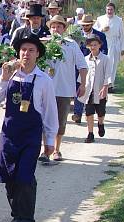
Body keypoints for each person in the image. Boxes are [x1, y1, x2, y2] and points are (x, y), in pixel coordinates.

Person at [0, 36, 58, 222]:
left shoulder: (44, 80)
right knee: (9, 175)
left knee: (25, 176)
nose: (26, 54)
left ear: (37, 54)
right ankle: (17, 214)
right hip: (9, 134)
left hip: (30, 136)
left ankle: (27, 220)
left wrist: (50, 140)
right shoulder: (10, 76)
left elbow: (49, 112)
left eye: (30, 50)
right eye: (23, 50)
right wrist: (3, 78)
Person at [39, 15, 87, 164]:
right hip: (46, 89)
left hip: (64, 89)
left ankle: (56, 149)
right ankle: (45, 150)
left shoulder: (71, 44)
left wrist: (83, 84)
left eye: (59, 26)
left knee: (60, 121)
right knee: (45, 120)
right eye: (53, 26)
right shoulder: (44, 44)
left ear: (64, 29)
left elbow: (83, 66)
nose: (56, 29)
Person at [71, 13, 108, 124]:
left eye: (87, 25)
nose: (85, 27)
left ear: (91, 24)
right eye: (83, 25)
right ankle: (77, 113)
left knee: (90, 89)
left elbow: (105, 50)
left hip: (94, 65)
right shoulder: (76, 35)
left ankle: (95, 113)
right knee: (79, 87)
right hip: (79, 66)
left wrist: (99, 61)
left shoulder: (100, 35)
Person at [77, 34, 112, 143]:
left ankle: (100, 124)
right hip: (89, 90)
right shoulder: (86, 59)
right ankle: (90, 133)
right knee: (89, 112)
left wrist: (105, 87)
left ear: (100, 45)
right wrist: (81, 85)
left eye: (95, 45)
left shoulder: (105, 59)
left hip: (100, 89)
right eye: (91, 45)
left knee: (100, 112)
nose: (93, 47)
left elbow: (108, 74)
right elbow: (82, 74)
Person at [94, 2, 124, 93]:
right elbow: (94, 31)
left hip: (115, 44)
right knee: (102, 64)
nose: (109, 11)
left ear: (114, 10)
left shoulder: (119, 20)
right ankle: (101, 84)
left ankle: (110, 85)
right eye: (108, 9)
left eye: (111, 9)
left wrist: (123, 48)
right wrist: (102, 30)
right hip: (103, 43)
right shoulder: (100, 19)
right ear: (105, 9)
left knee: (113, 65)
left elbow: (122, 35)